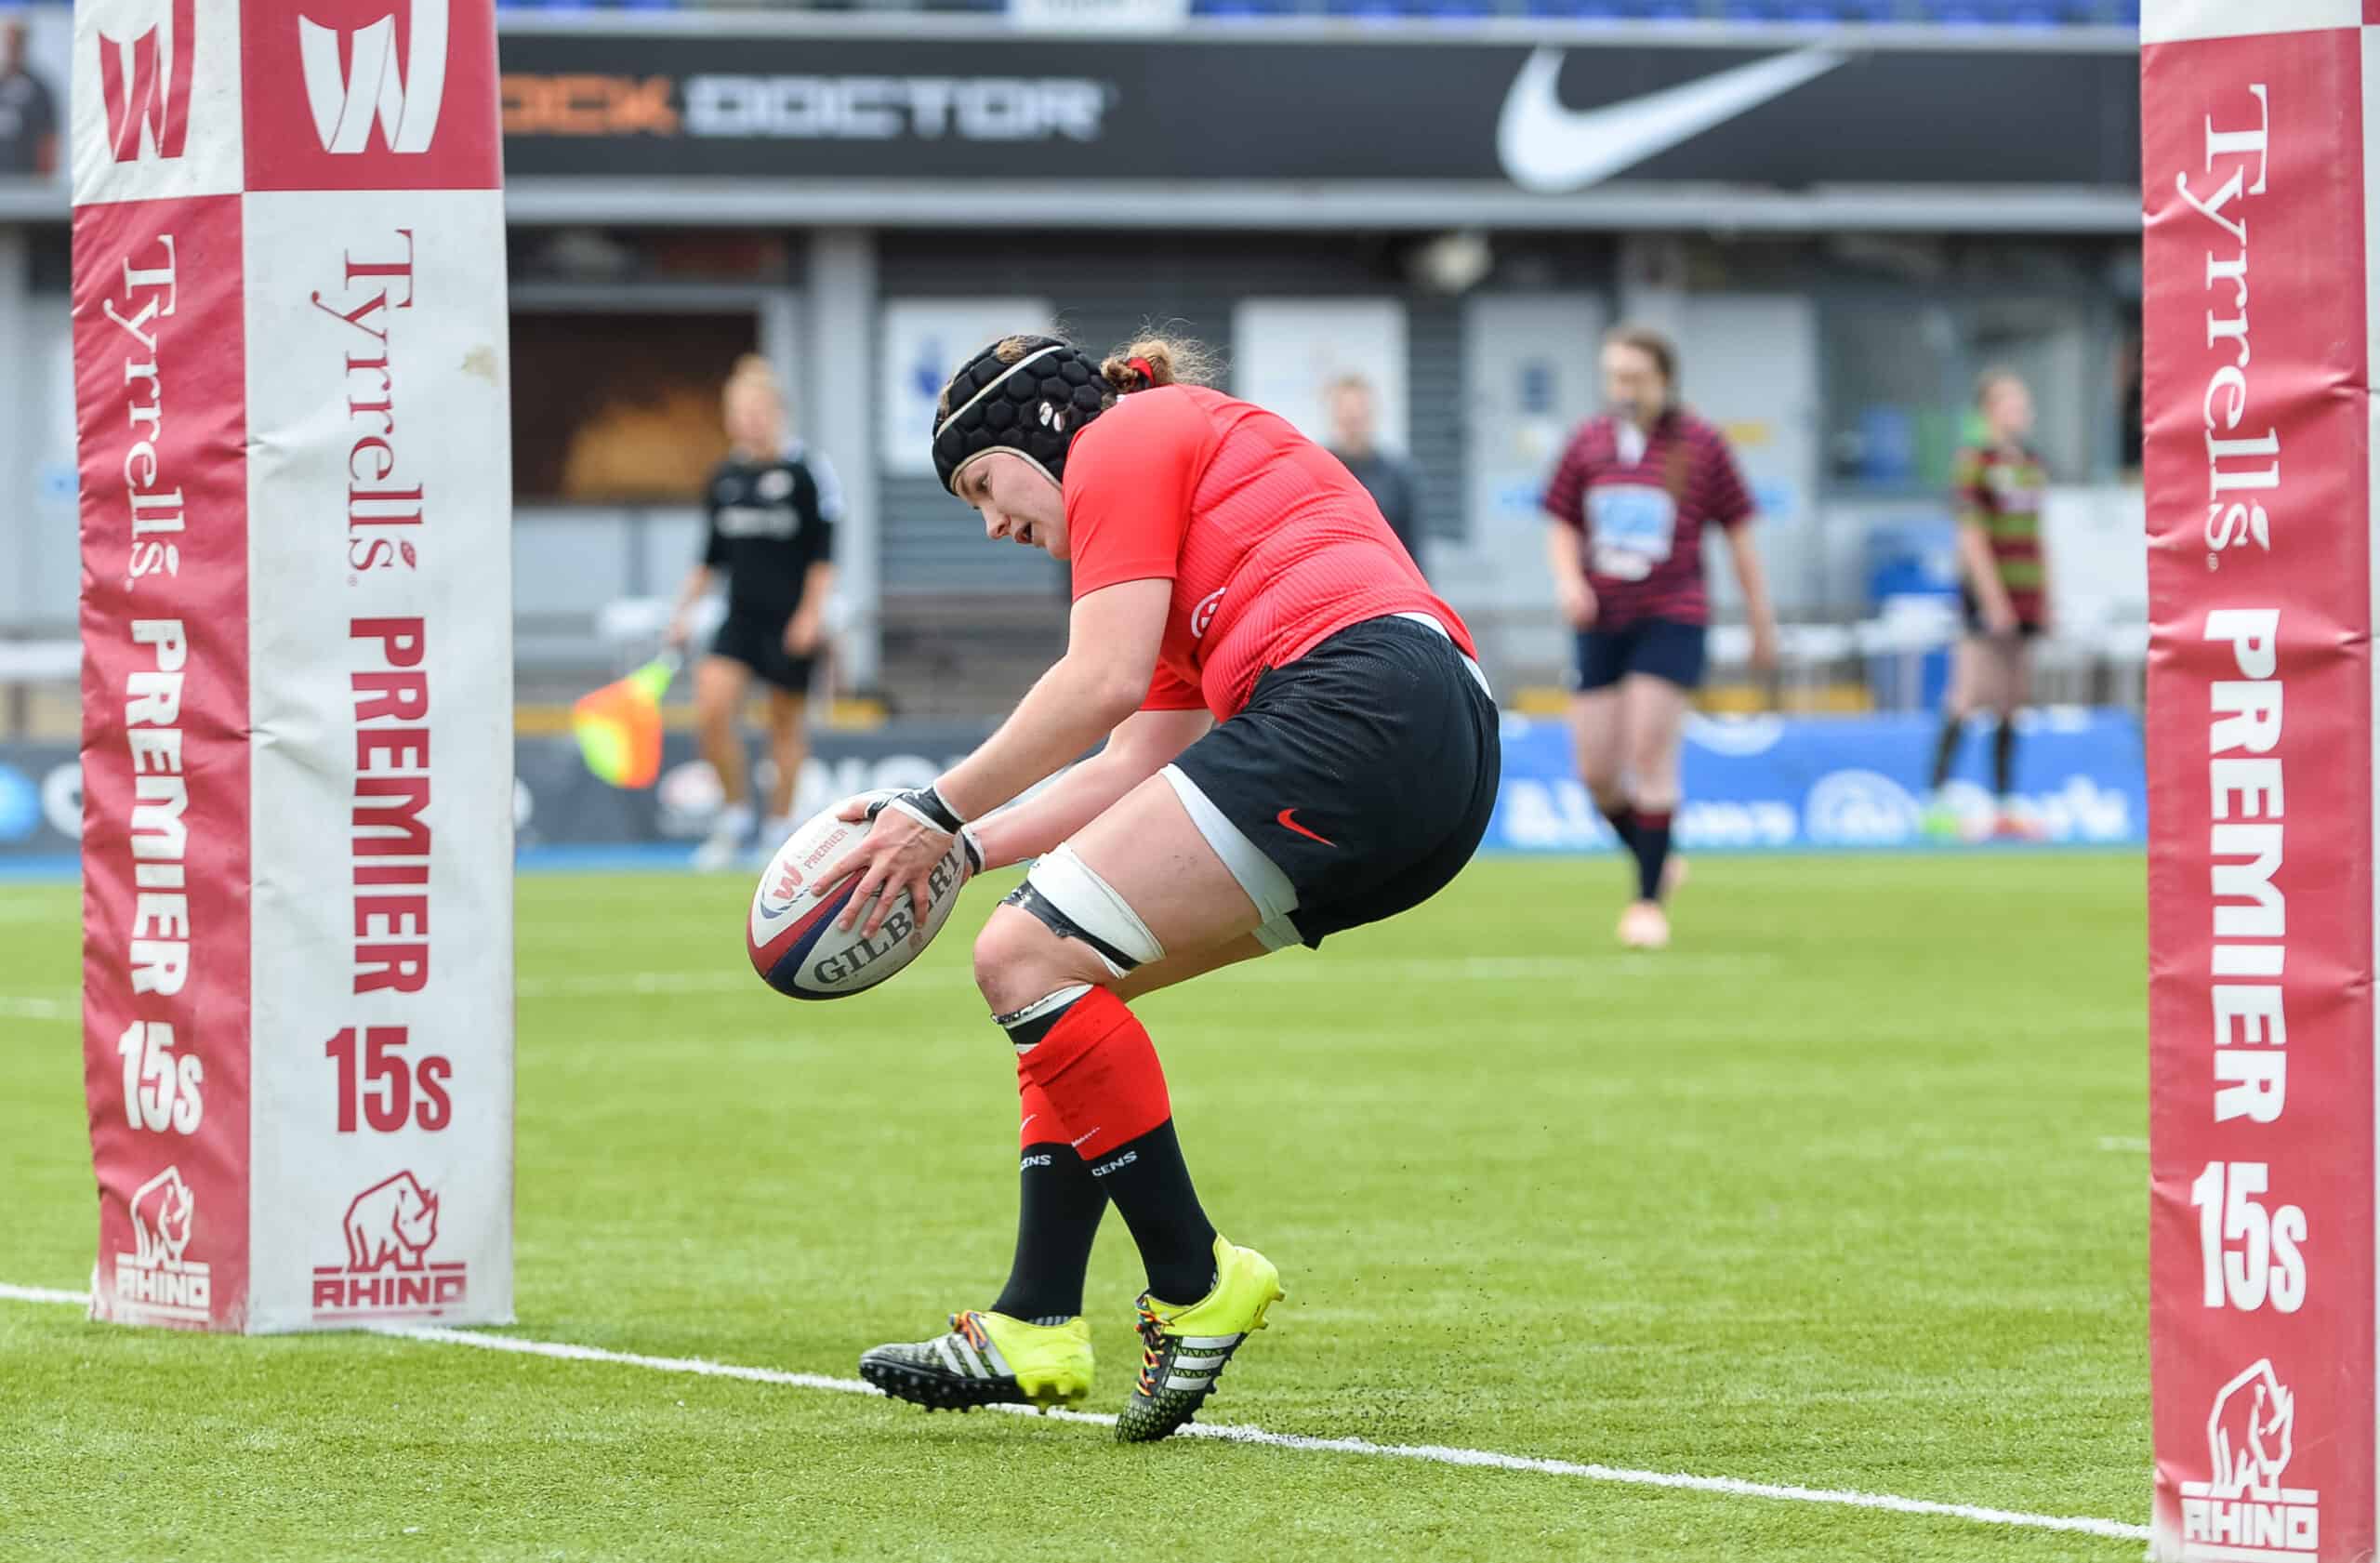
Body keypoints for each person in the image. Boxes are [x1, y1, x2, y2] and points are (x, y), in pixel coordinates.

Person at [824, 332, 1499, 1442]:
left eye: (985, 487)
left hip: (1357, 703)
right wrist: (959, 850)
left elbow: (1096, 683)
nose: (992, 523)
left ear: (1040, 434)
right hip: (1432, 755)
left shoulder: (1123, 436)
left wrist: (930, 808)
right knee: (1066, 979)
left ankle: (1194, 1279)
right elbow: (1134, 757)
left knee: (1021, 956)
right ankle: (1036, 1318)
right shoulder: (1182, 512)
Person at [1541, 325, 1778, 952]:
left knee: (1649, 751)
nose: (1622, 389)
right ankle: (1657, 854)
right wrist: (1569, 581)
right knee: (1595, 771)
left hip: (1673, 612)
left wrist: (1760, 618)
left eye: (1634, 377)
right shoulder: (1587, 442)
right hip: (1601, 617)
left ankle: (1646, 903)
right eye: (1613, 376)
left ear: (1663, 381)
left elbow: (1740, 534)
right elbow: (1561, 522)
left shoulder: (1701, 445)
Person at [666, 356, 840, 870]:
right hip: (738, 618)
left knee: (783, 727)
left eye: (758, 411)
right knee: (711, 712)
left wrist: (811, 615)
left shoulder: (807, 472)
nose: (749, 421)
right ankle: (735, 815)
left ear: (777, 412)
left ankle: (778, 830)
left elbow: (825, 555)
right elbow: (710, 559)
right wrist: (682, 612)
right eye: (740, 412)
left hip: (790, 619)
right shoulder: (725, 477)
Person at [1925, 368, 2051, 840]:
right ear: (1989, 411)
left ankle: (2004, 803)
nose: (2021, 411)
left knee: (2013, 700)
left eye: (2024, 402)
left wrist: (2046, 596)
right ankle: (1936, 798)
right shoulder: (1973, 461)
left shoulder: (2032, 464)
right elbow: (1972, 536)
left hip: (2027, 595)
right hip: (1986, 599)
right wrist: (1992, 597)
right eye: (2011, 402)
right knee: (1968, 693)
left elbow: (2038, 535)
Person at [1324, 373, 1426, 573]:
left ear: (1371, 415)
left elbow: (1413, 548)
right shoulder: (1317, 471)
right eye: (1346, 416)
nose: (1353, 423)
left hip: (1386, 589)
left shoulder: (1399, 475)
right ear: (1334, 415)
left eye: (1359, 415)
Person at [0, 17, 59, 179]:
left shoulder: (39, 90)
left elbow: (48, 139)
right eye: (7, 43)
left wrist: (45, 180)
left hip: (26, 180)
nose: (11, 49)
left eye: (16, 43)